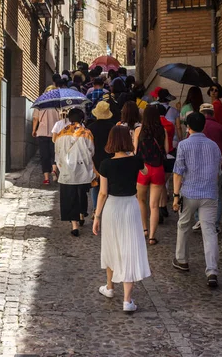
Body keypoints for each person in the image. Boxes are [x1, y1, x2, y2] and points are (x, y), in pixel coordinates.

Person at [93, 126, 151, 313]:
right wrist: (134, 152)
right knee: (129, 249)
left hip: (112, 207)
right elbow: (145, 172)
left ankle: (110, 287)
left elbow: (102, 193)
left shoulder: (105, 164)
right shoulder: (136, 161)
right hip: (130, 207)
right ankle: (127, 300)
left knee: (111, 246)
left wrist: (96, 216)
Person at [172, 112, 222, 287]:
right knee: (209, 231)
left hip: (189, 192)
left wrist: (175, 195)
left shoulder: (184, 145)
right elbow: (218, 170)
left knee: (183, 225)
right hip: (209, 193)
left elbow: (178, 171)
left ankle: (182, 259)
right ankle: (212, 270)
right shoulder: (214, 146)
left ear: (188, 127)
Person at [192, 103, 222, 233]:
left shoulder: (195, 129)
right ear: (213, 113)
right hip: (216, 168)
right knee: (216, 196)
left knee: (196, 194)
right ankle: (215, 224)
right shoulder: (220, 128)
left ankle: (199, 219)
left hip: (197, 168)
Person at [55, 108, 95, 236]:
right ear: (82, 119)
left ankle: (74, 225)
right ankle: (82, 214)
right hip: (82, 169)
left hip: (67, 169)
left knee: (70, 196)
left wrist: (59, 166)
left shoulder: (61, 133)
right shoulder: (87, 133)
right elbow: (91, 151)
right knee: (81, 193)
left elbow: (57, 150)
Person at [134, 105, 169, 245]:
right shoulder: (163, 131)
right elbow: (166, 150)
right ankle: (152, 237)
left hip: (143, 169)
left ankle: (144, 229)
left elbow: (135, 150)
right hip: (158, 169)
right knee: (154, 205)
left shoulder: (138, 130)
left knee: (141, 200)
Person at [87, 101, 116, 216]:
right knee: (108, 186)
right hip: (110, 158)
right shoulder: (113, 128)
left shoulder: (90, 128)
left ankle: (95, 209)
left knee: (96, 185)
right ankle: (107, 210)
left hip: (95, 159)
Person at [154, 104, 175, 223]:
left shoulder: (154, 126)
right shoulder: (170, 125)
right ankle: (163, 207)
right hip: (170, 155)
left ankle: (160, 208)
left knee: (158, 184)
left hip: (158, 157)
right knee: (162, 183)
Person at [32, 105, 59, 184]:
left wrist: (34, 130)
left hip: (42, 133)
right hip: (55, 133)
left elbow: (35, 118)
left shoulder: (39, 106)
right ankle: (54, 170)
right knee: (55, 153)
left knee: (44, 155)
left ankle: (46, 178)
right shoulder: (57, 105)